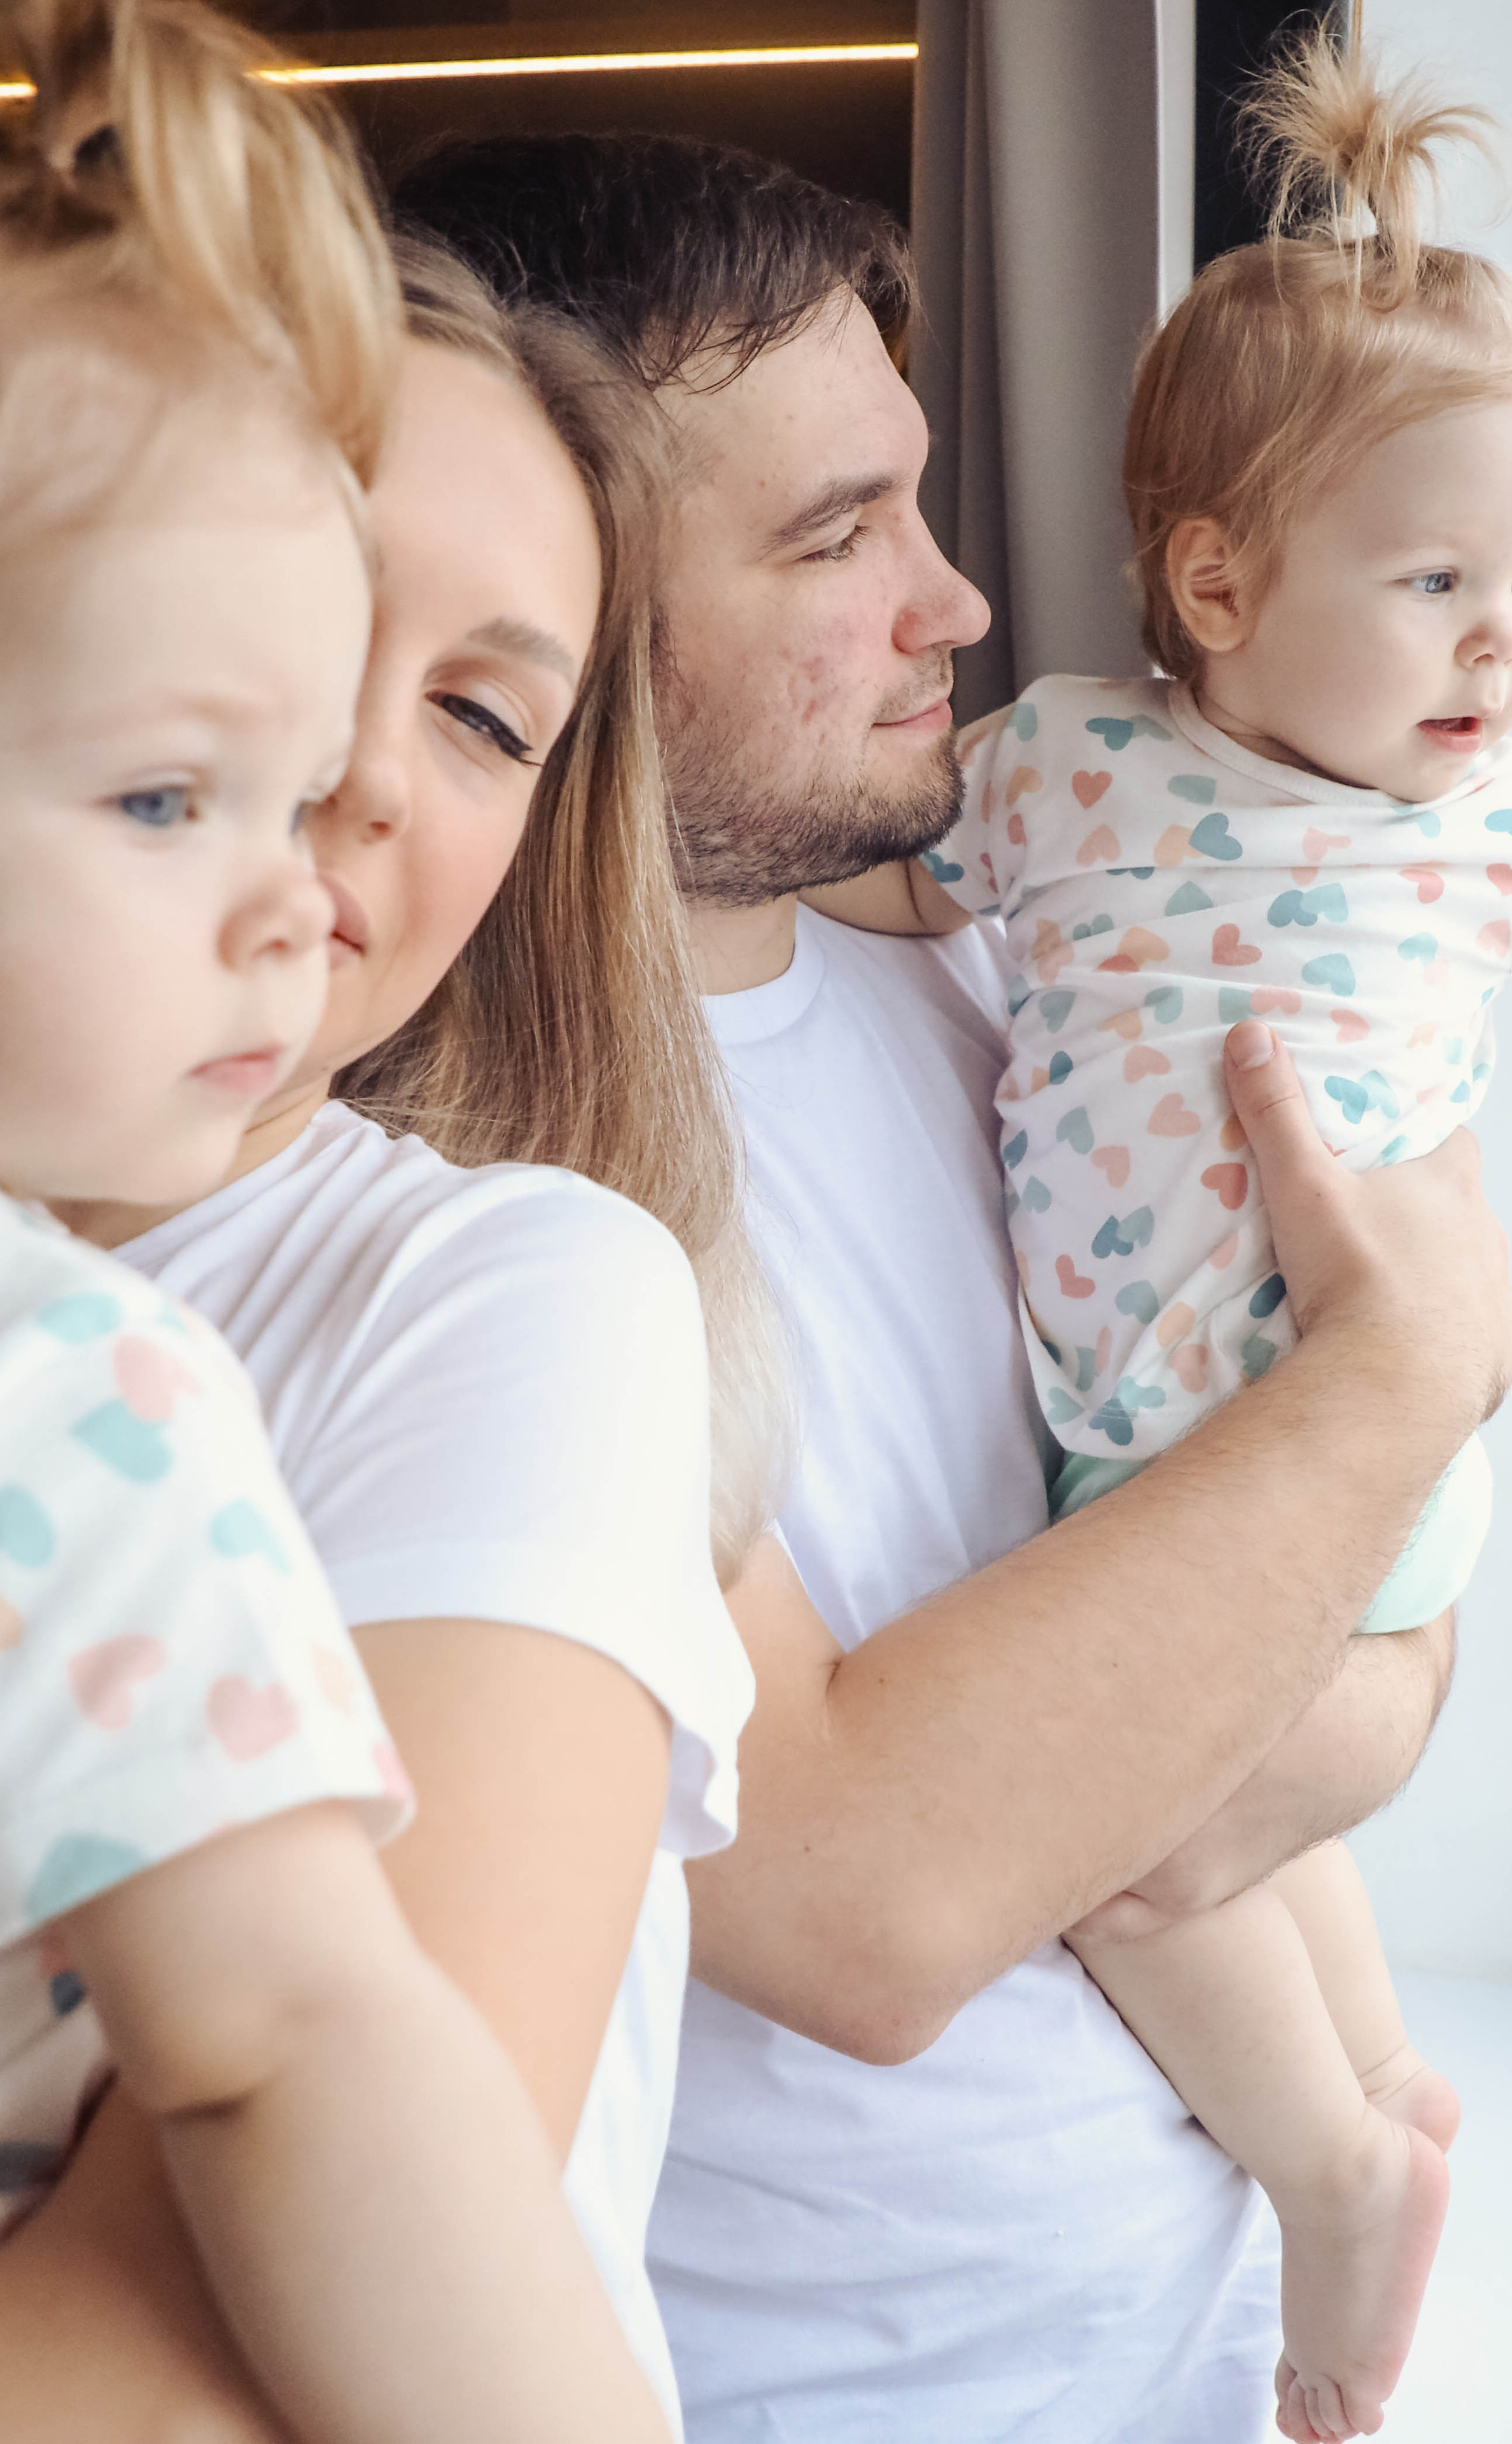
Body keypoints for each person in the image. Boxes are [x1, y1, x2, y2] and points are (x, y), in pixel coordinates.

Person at [396, 130, 1512, 2441]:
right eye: (835, 538)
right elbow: (868, 1904)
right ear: (565, 598)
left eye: (913, 502)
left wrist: (1296, 1625)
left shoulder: (1028, 960)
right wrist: (1408, 1367)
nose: (963, 603)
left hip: (1205, 2348)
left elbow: (1384, 1678)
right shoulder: (462, 1165)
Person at [807, 38, 1512, 2441]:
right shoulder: (1064, 758)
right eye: (1442, 578)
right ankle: (1376, 2083)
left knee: (1136, 1874)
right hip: (1137, 1463)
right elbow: (895, 879)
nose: (1505, 646)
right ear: (1216, 578)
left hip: (1317, 1443)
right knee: (1209, 1853)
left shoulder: (1493, 833)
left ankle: (1334, 2179)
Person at [0, 150, 770, 2444]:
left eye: (480, 716)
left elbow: (300, 2134)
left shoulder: (200, 1382)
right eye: (294, 628)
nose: (335, 785)